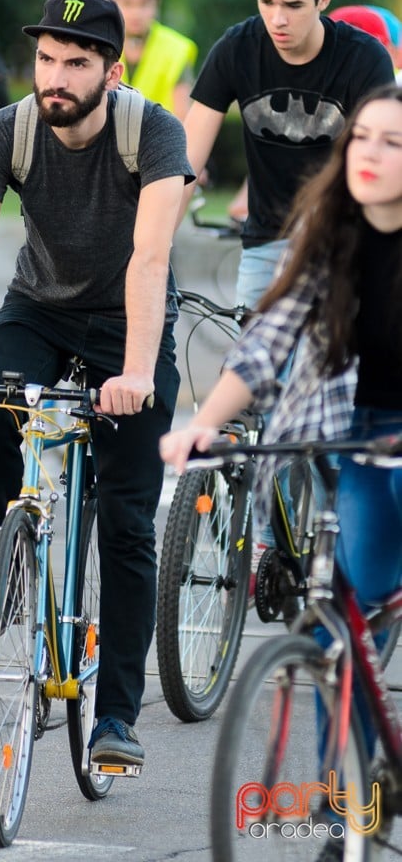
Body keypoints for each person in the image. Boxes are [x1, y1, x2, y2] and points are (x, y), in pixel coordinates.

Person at [0, 0, 193, 766]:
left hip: (127, 322)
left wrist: (138, 369)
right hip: (37, 308)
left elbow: (149, 258)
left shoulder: (155, 134)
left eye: (76, 62)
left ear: (112, 70)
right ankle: (11, 561)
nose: (57, 76)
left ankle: (115, 719)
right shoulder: (6, 131)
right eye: (46, 58)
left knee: (129, 520)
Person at [162, 80, 402, 861]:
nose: (369, 155)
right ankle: (348, 816)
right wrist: (202, 425)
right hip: (346, 433)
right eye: (361, 137)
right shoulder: (329, 230)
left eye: (391, 144)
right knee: (348, 631)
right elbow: (270, 342)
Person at [180, 0, 395, 311]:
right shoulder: (236, 48)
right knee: (251, 359)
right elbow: (183, 163)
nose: (277, 19)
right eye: (266, 2)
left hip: (346, 236)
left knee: (337, 362)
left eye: (293, 6)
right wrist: (150, 252)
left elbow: (383, 156)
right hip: (266, 240)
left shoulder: (363, 58)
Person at [99, 0, 198, 121]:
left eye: (144, 4)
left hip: (159, 143)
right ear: (109, 2)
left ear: (156, 4)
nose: (136, 13)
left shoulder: (177, 49)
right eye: (127, 3)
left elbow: (183, 116)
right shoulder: (93, 43)